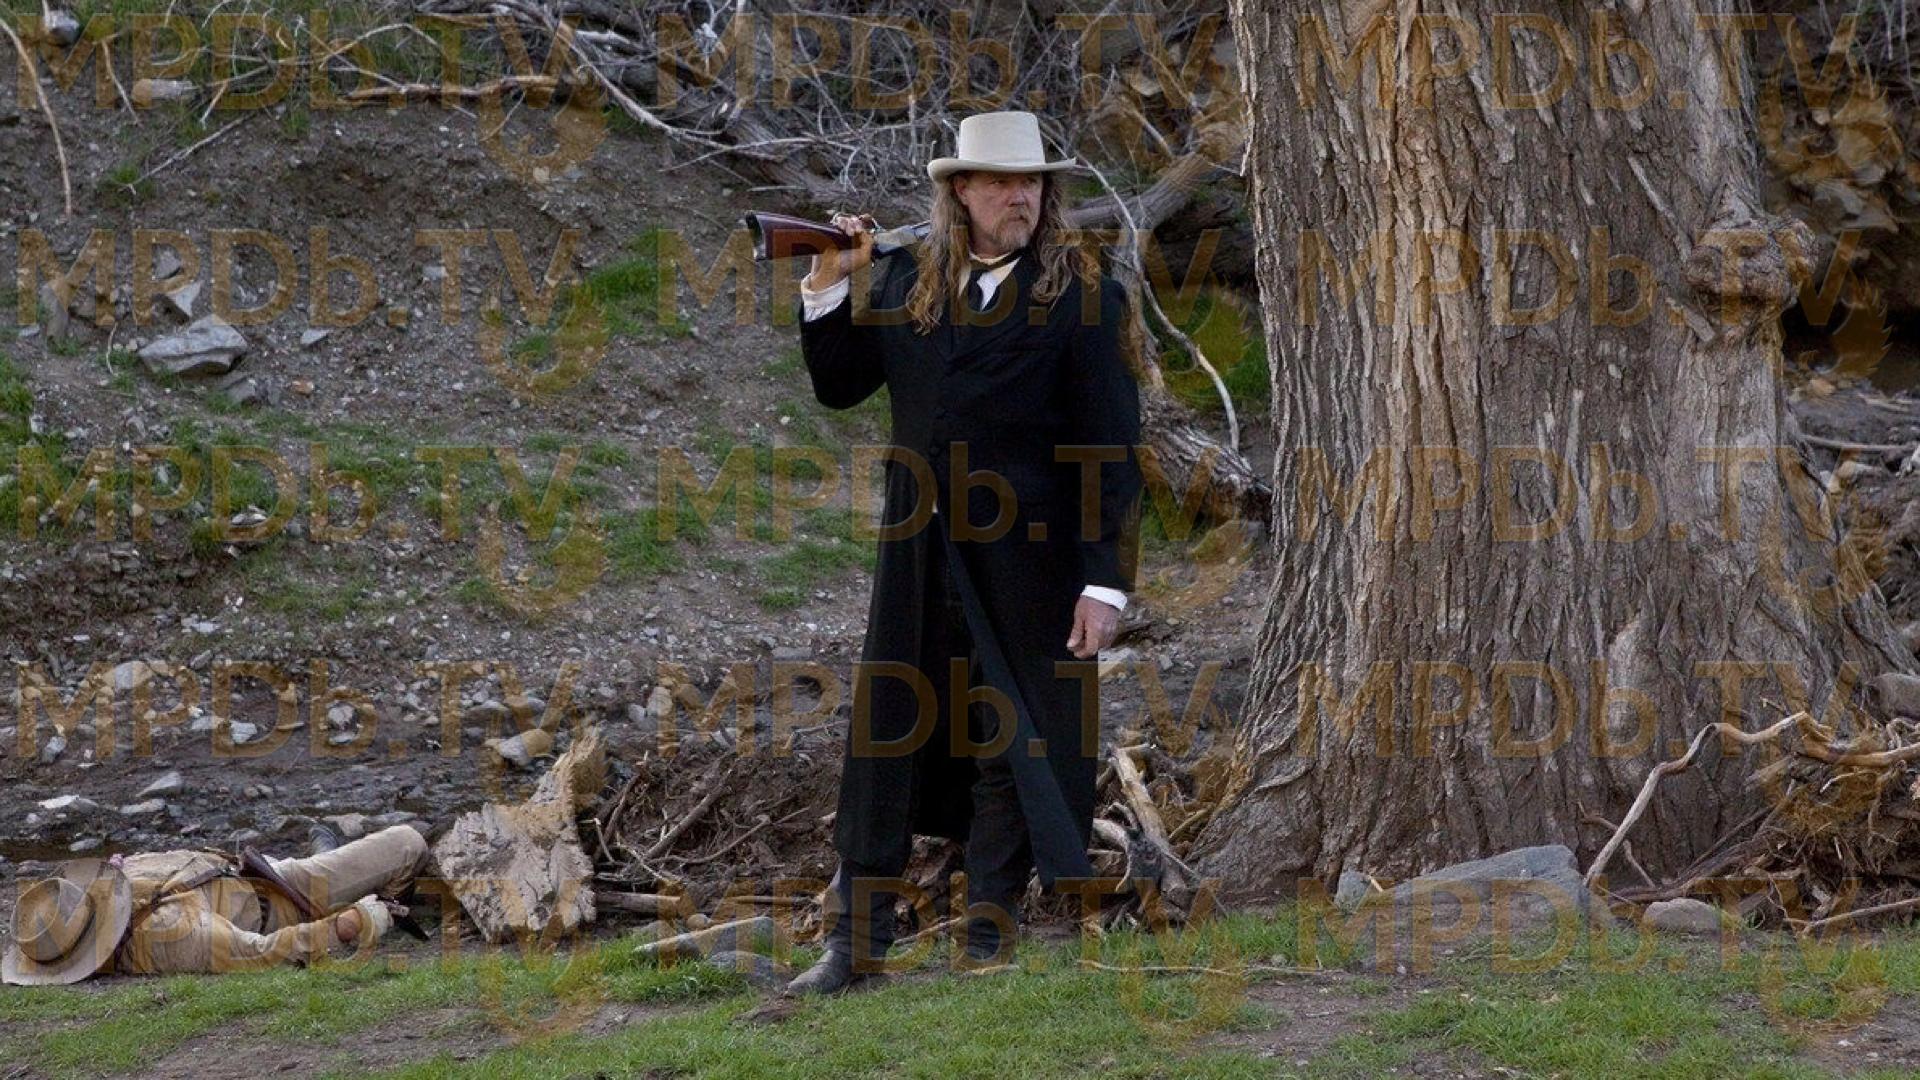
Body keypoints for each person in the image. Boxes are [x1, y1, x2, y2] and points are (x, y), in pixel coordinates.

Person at [784, 110, 1143, 994]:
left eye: (1032, 184)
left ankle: (988, 937)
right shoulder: (910, 279)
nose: (1020, 197)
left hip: (1032, 560)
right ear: (962, 192)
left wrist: (1104, 584)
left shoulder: (1084, 297)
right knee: (887, 733)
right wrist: (827, 285)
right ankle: (855, 945)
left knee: (1008, 739)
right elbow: (840, 386)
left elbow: (1111, 448)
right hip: (918, 551)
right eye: (1001, 182)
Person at [2, 825, 426, 985]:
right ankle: (335, 855)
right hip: (285, 907)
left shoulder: (113, 882)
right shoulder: (167, 936)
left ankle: (327, 847)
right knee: (405, 847)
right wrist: (352, 924)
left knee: (408, 843)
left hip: (270, 873)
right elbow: (261, 953)